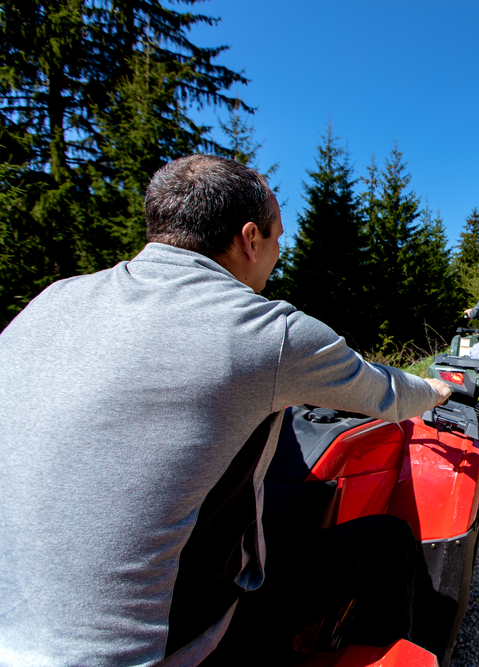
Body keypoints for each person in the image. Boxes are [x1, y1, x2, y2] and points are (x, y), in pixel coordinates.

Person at [0, 154, 452, 667]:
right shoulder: (265, 330)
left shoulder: (52, 300)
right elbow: (386, 394)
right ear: (249, 238)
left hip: (13, 629)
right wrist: (435, 391)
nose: (279, 251)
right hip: (150, 649)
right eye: (278, 237)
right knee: (389, 539)